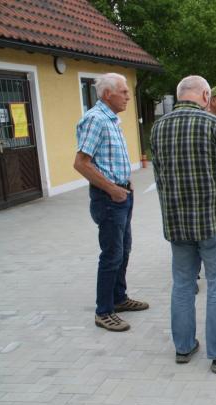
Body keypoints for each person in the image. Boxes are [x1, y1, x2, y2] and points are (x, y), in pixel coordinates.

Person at [151, 75, 216, 373]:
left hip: (177, 223)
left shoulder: (159, 127)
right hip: (213, 223)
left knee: (182, 285)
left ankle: (183, 347)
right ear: (206, 95)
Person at [73, 73, 149, 332]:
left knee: (123, 249)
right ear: (107, 94)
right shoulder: (95, 120)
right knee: (111, 255)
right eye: (124, 91)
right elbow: (81, 163)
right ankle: (103, 311)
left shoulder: (111, 120)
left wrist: (124, 185)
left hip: (121, 195)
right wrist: (112, 189)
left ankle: (119, 298)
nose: (128, 96)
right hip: (108, 199)